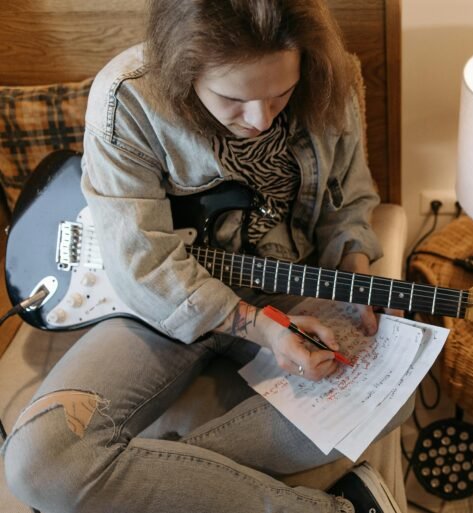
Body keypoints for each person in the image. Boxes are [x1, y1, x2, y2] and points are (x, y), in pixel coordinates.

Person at [2, 1, 410, 512]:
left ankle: (155, 486)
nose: (261, 119)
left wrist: (357, 271)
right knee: (38, 462)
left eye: (280, 93)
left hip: (289, 282)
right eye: (234, 98)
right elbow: (143, 263)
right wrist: (260, 327)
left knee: (397, 390)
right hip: (160, 300)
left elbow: (347, 205)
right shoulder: (127, 98)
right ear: (183, 68)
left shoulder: (332, 80)